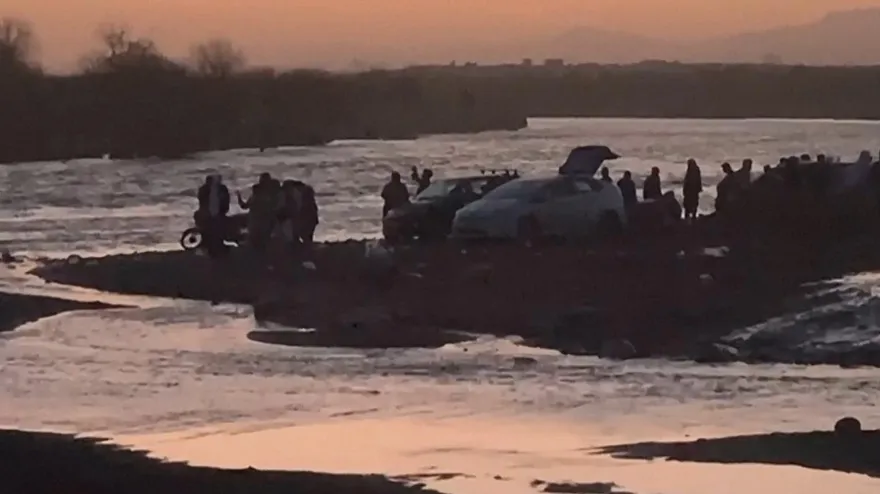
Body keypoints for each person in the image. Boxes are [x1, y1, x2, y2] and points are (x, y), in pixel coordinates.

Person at [238, 172, 278, 253]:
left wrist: (238, 197)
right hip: (260, 221)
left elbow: (244, 206)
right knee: (261, 242)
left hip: (256, 221)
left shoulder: (257, 195)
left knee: (257, 242)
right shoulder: (270, 194)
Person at [195, 174, 230, 257]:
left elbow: (225, 199)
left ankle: (214, 247)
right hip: (210, 213)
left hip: (215, 212)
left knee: (215, 230)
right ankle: (213, 247)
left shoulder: (218, 189)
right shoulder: (209, 189)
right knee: (212, 230)